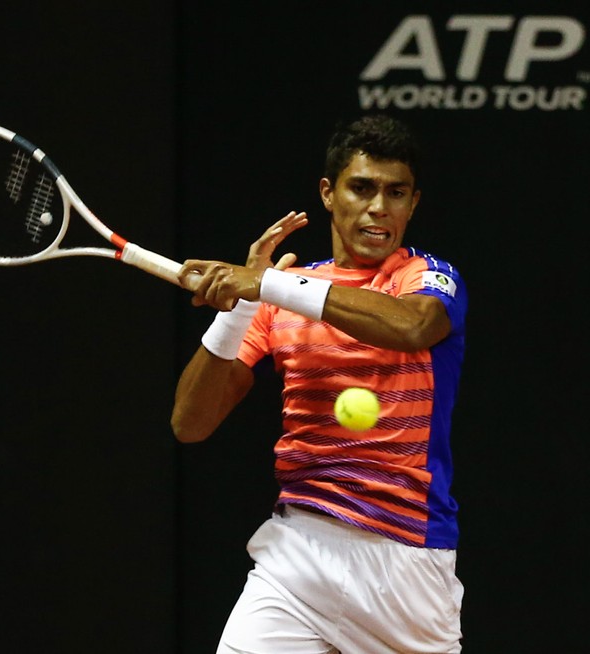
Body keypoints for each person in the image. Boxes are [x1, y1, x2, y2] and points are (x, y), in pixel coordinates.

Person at [173, 114, 466, 654]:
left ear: (413, 204)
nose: (379, 207)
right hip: (296, 555)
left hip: (404, 563)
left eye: (396, 193)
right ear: (329, 193)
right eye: (362, 188)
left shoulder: (426, 277)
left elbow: (412, 326)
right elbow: (191, 423)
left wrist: (271, 284)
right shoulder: (277, 295)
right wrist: (238, 310)